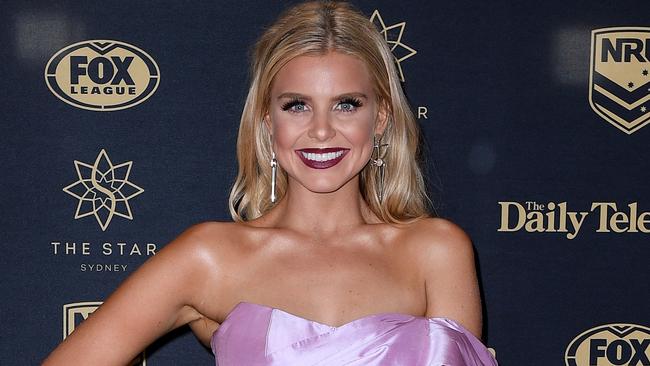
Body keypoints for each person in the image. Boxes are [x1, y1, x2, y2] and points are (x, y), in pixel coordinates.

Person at [44, 1, 497, 365]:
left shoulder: (436, 250)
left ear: (380, 118)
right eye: (297, 105)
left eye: (346, 105)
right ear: (266, 120)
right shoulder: (211, 257)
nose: (321, 130)